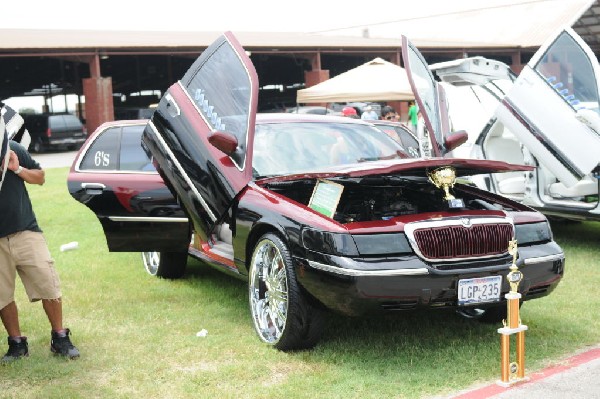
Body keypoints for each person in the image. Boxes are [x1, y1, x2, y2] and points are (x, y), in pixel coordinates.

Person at [0, 120, 80, 363]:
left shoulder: (12, 148)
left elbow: (40, 177)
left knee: (48, 285)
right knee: (1, 295)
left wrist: (16, 169)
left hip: (26, 232)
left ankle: (60, 337)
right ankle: (16, 344)